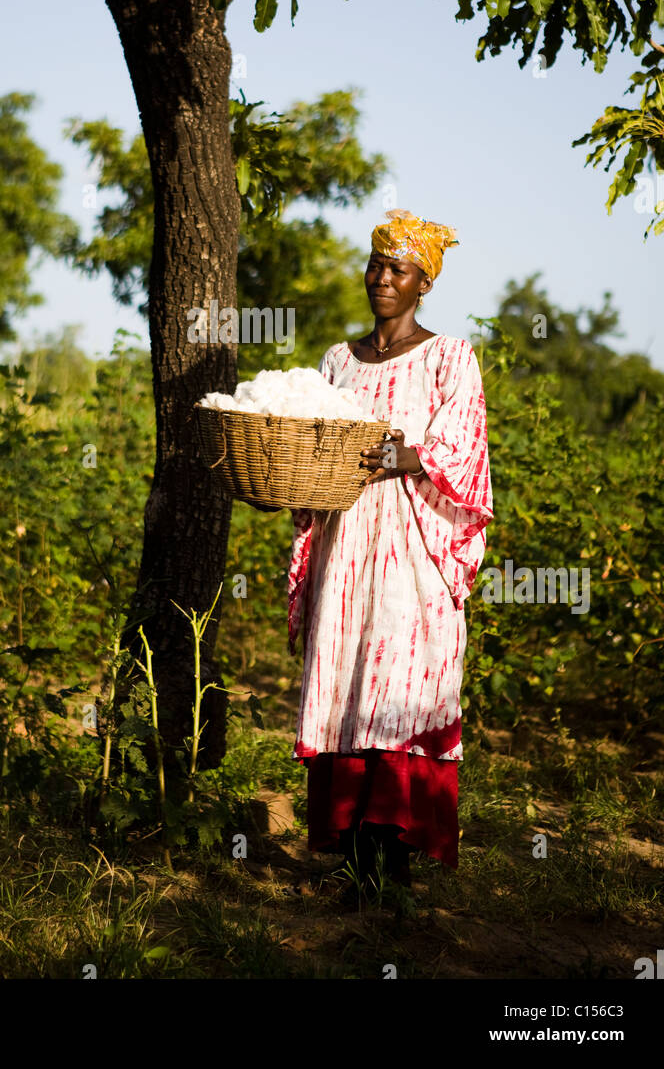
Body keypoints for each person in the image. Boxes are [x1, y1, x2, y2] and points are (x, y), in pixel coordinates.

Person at [286, 209, 493, 897]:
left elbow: (464, 451)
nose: (380, 278)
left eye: (397, 270)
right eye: (375, 265)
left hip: (413, 552)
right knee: (346, 683)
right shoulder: (338, 362)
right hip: (346, 546)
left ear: (423, 283)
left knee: (399, 689)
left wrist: (400, 452)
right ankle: (350, 857)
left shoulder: (448, 356)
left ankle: (393, 857)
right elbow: (312, 444)